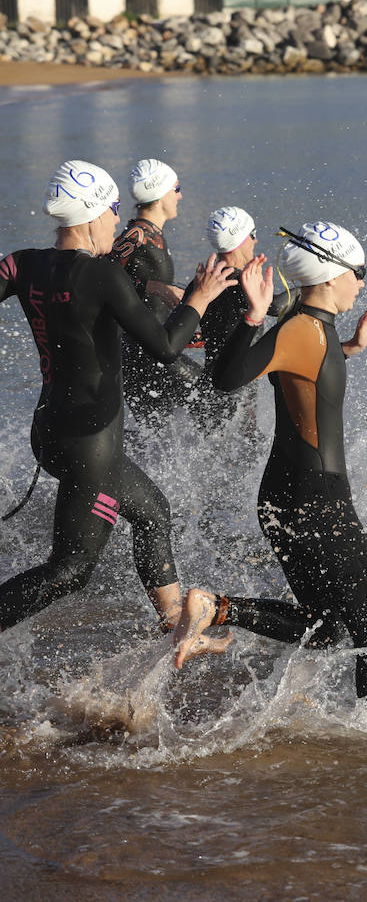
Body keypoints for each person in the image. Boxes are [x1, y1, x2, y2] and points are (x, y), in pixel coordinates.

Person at [0, 160, 235, 635]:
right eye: (110, 210)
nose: (116, 219)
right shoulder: (103, 276)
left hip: (49, 432)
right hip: (92, 442)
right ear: (89, 215)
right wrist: (200, 299)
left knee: (152, 512)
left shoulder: (21, 263)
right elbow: (166, 347)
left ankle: (178, 630)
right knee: (70, 571)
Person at [173, 222, 367, 699]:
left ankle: (217, 608)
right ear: (332, 275)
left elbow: (305, 378)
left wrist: (351, 348)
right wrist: (252, 315)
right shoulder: (301, 330)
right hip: (315, 499)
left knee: (327, 625)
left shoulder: (315, 331)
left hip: (291, 496)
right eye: (360, 271)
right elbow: (227, 379)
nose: (362, 282)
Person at [108, 158, 201, 425]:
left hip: (150, 349)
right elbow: (98, 279)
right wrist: (151, 286)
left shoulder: (151, 233)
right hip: (142, 354)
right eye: (177, 188)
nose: (181, 196)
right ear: (161, 195)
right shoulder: (136, 235)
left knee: (160, 436)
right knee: (215, 399)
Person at [185, 206, 296, 428]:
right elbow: (273, 307)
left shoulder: (201, 283)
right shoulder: (238, 283)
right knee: (243, 453)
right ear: (243, 238)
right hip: (234, 392)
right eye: (253, 235)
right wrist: (307, 288)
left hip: (209, 388)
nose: (255, 242)